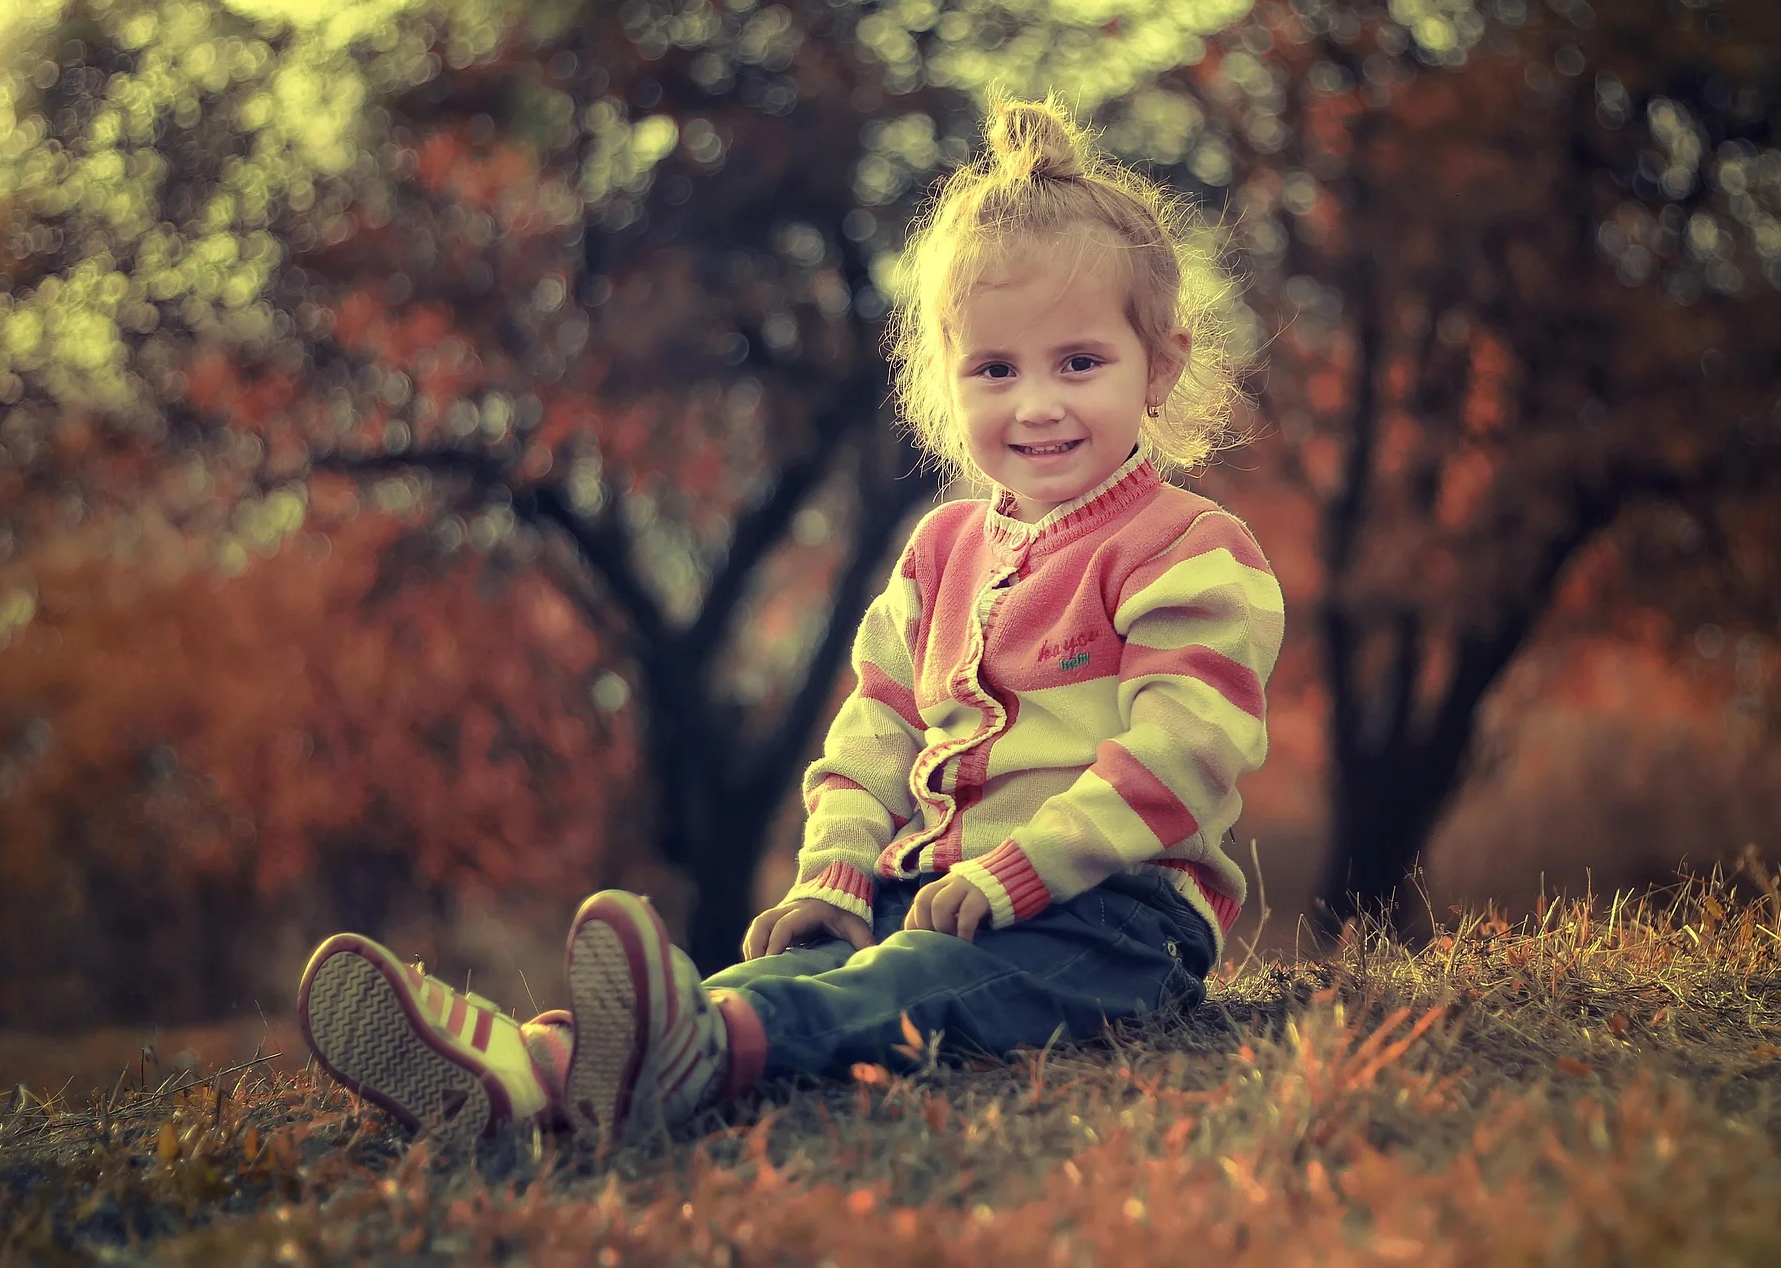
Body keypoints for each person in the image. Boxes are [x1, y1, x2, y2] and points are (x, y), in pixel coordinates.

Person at [295, 91, 1285, 1155]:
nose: (1035, 403)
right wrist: (838, 873)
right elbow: (873, 733)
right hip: (933, 895)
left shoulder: (1186, 547)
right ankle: (530, 1070)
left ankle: (700, 1055)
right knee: (803, 967)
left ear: (1160, 364)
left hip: (1113, 919)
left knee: (908, 984)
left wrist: (1026, 865)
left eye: (1078, 362)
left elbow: (1184, 751)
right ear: (947, 380)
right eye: (996, 370)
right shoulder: (942, 551)